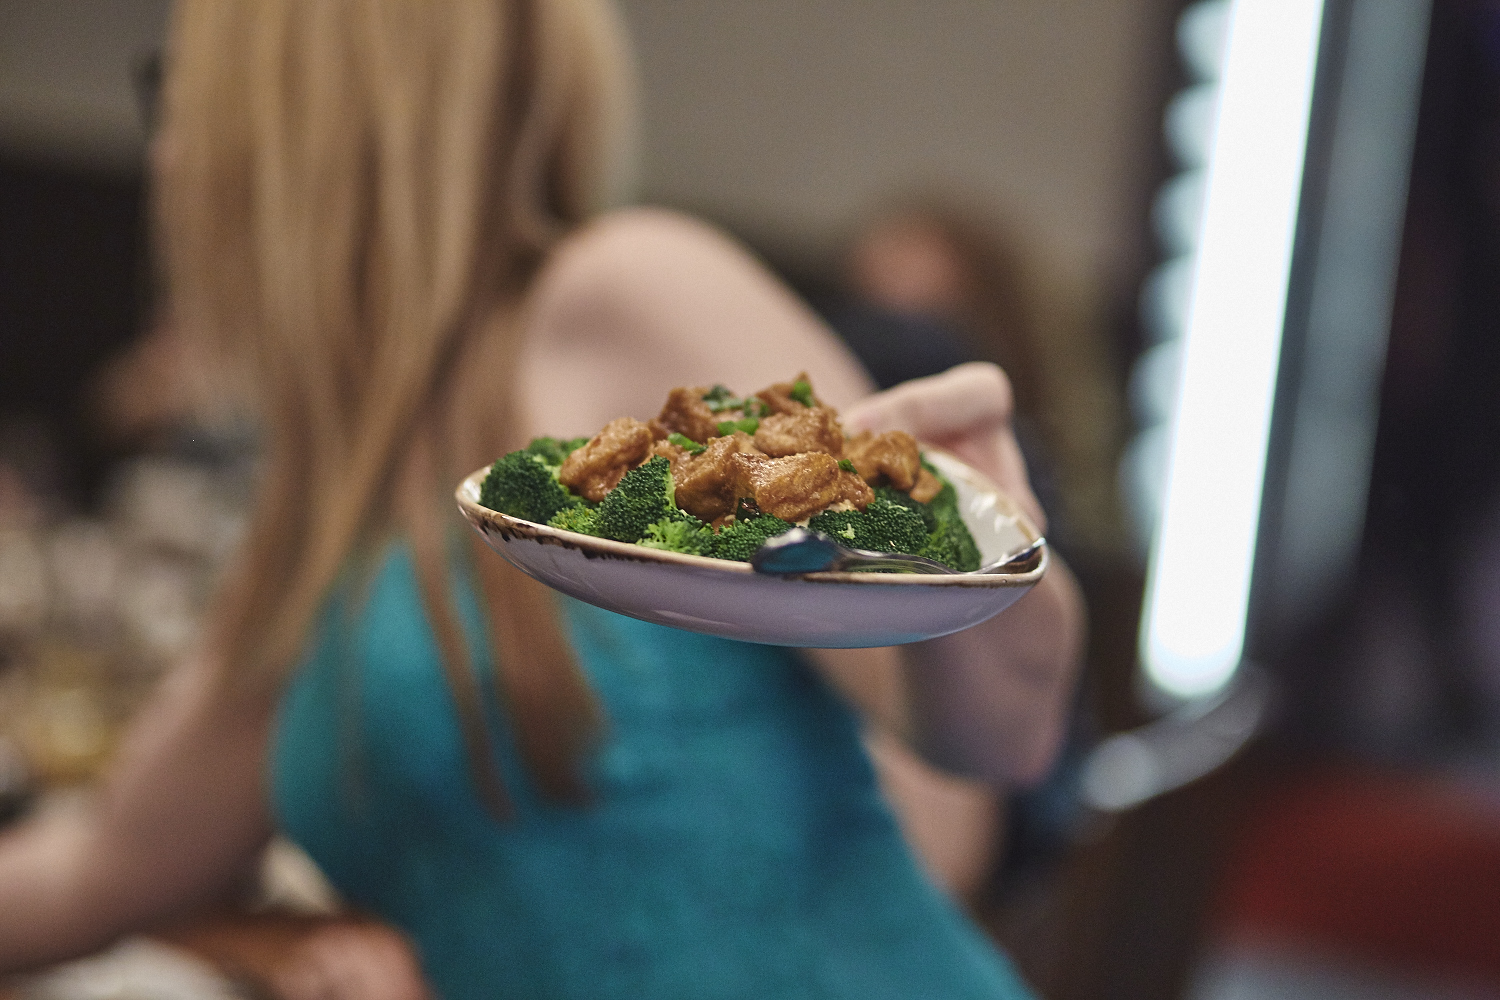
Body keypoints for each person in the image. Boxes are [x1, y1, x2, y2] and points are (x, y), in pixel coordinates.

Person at [0, 2, 1085, 998]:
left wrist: (974, 558)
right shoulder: (326, 499)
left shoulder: (622, 296)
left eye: (179, 95)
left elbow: (973, 776)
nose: (167, 153)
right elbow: (92, 872)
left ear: (294, 120)